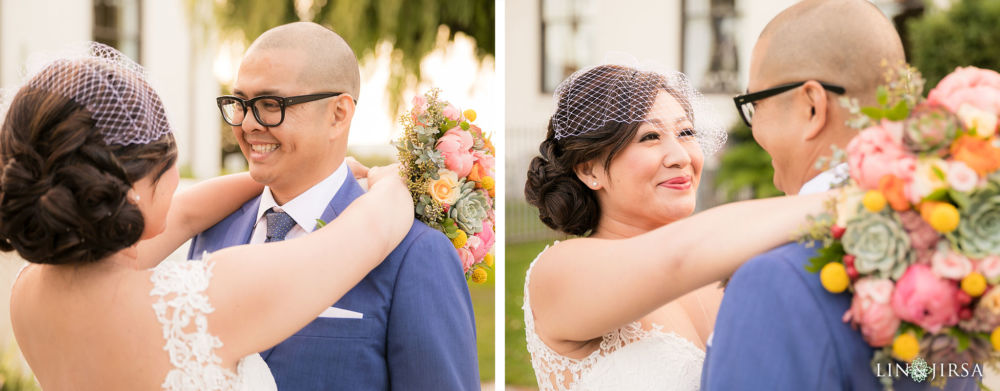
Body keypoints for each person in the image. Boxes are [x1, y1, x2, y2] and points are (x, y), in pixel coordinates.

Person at [1, 43, 413, 390]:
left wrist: (274, 169)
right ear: (135, 186)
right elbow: (374, 229)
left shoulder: (29, 291)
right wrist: (392, 179)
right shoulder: (201, 302)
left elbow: (187, 213)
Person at [701, 1, 980, 390]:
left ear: (812, 106)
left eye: (754, 104)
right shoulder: (961, 256)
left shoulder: (776, 281)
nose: (754, 125)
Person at [187, 22, 480, 390]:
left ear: (338, 114)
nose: (247, 124)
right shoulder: (212, 230)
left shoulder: (415, 253)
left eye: (269, 105)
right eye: (240, 103)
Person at [521, 62, 835, 391]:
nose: (680, 156)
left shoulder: (731, 271)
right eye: (650, 137)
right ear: (589, 170)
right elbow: (677, 258)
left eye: (686, 133)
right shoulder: (558, 272)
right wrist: (842, 202)